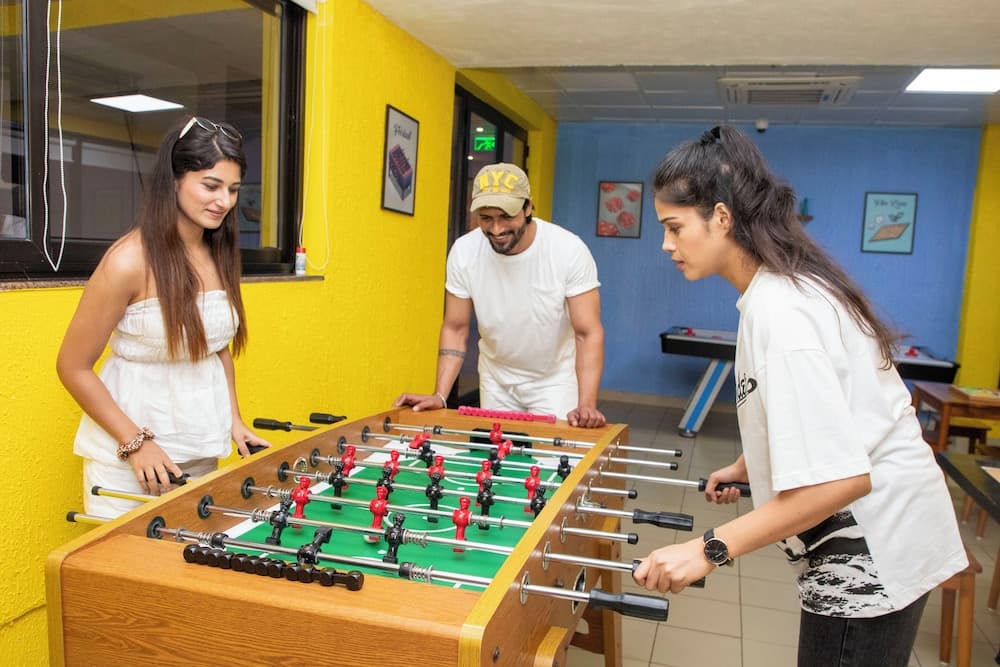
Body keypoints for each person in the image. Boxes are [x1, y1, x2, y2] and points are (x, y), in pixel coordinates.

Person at [632, 125, 967, 667]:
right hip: (884, 536)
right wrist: (752, 465)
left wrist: (707, 549)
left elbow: (840, 480)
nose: (666, 245)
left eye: (674, 227)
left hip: (874, 551)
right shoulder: (778, 291)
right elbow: (829, 415)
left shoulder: (781, 312)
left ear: (722, 217)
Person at [57, 116, 271, 518]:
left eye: (233, 189)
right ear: (174, 181)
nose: (224, 201)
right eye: (211, 185)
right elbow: (72, 366)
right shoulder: (127, 261)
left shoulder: (218, 255)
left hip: (200, 453)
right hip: (129, 466)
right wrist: (137, 444)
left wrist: (234, 420)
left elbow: (216, 349)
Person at [394, 162, 606, 428]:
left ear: (528, 208)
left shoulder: (568, 250)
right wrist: (440, 395)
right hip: (496, 377)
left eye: (506, 216)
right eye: (486, 218)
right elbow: (455, 328)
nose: (496, 229)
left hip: (553, 378)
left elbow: (587, 332)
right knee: (498, 451)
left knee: (552, 453)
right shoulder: (464, 252)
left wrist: (586, 404)